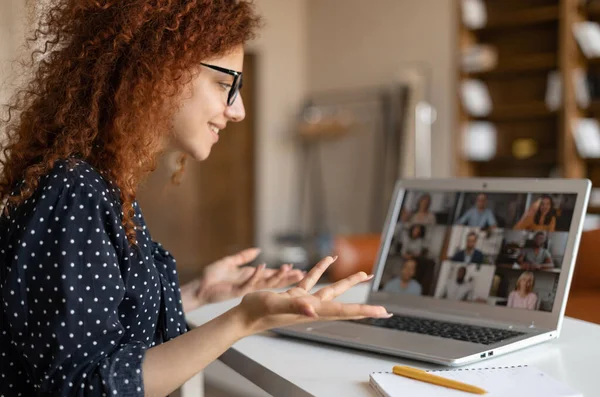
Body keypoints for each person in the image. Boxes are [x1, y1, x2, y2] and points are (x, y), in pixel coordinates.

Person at [0, 2, 391, 396]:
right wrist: (242, 320)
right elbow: (85, 387)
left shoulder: (102, 185)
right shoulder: (75, 191)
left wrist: (196, 295)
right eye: (226, 85)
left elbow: (109, 327)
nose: (237, 110)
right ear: (157, 71)